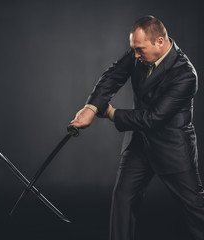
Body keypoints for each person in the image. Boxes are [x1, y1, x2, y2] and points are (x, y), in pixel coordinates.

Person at [70, 16, 204, 240]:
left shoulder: (185, 75)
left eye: (140, 49)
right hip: (139, 144)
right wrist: (90, 108)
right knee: (122, 199)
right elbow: (113, 76)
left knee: (195, 207)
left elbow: (154, 118)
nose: (136, 55)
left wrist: (111, 113)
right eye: (134, 49)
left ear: (159, 42)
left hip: (173, 149)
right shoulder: (138, 54)